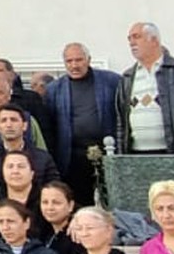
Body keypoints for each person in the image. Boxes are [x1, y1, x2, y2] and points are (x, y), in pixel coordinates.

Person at [44, 43, 120, 207]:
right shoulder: (54, 90)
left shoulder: (111, 82)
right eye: (69, 61)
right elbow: (50, 127)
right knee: (80, 203)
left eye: (78, 60)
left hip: (108, 154)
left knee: (112, 200)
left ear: (89, 60)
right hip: (72, 158)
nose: (74, 65)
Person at [116, 22, 174, 154]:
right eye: (129, 38)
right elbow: (121, 123)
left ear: (154, 40)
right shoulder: (127, 77)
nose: (132, 42)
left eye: (136, 37)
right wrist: (121, 158)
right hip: (136, 156)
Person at [0, 104, 61, 203]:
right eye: (4, 120)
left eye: (14, 120)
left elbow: (55, 191)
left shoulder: (44, 159)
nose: (9, 125)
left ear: (25, 125)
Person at [37, 181, 81, 254]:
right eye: (45, 202)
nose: (50, 207)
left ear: (70, 205)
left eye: (56, 203)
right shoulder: (45, 232)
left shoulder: (76, 235)